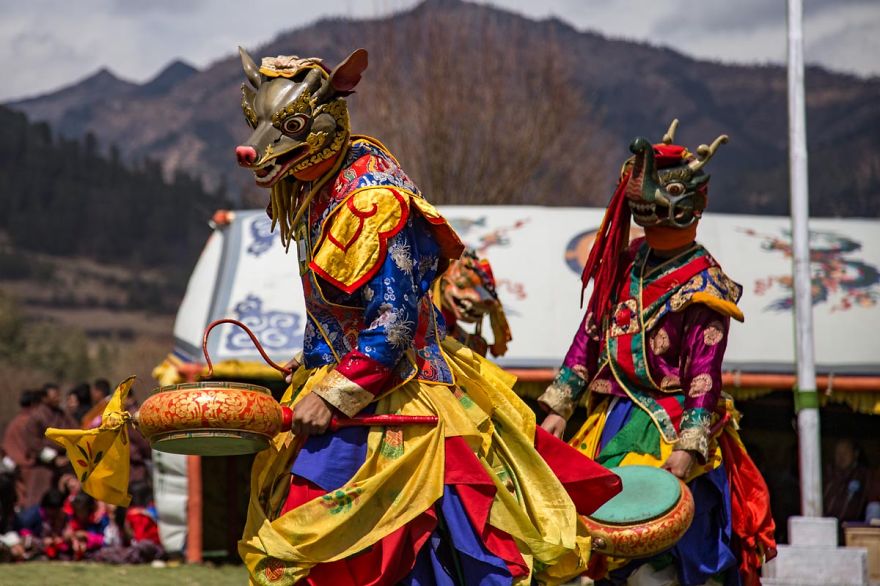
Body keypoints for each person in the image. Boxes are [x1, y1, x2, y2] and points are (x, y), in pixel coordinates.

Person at [232, 47, 621, 585]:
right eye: (260, 126)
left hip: (393, 393)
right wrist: (312, 360)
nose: (254, 149)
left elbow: (392, 322)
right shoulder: (315, 191)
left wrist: (331, 391)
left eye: (288, 126)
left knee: (391, 554)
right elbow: (336, 306)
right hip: (345, 388)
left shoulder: (376, 202)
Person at [538, 121, 776, 586]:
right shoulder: (626, 261)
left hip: (672, 421)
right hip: (609, 416)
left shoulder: (706, 286)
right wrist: (560, 405)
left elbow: (705, 377)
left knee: (665, 554)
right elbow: (590, 334)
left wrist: (690, 446)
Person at [21, 386, 75, 508]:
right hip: (44, 465)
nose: (58, 398)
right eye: (54, 396)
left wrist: (69, 455)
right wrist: (54, 459)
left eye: (59, 395)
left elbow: (74, 432)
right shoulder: (37, 417)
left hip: (64, 465)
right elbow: (33, 444)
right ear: (45, 398)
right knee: (39, 502)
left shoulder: (62, 415)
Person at [824, 438, 877, 524]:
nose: (841, 456)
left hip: (848, 528)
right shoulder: (828, 472)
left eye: (845, 452)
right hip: (824, 524)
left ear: (855, 454)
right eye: (838, 453)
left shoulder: (864, 475)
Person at [2, 389, 39, 507]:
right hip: (27, 469)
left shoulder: (14, 422)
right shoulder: (30, 422)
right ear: (34, 404)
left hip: (15, 469)